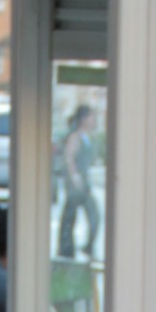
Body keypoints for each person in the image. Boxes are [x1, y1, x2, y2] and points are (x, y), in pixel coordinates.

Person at [56, 105, 101, 258]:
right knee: (70, 217)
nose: (94, 120)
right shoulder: (75, 137)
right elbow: (69, 157)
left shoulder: (89, 137)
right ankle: (66, 249)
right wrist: (74, 176)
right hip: (76, 184)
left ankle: (87, 246)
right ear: (83, 119)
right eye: (91, 117)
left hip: (85, 183)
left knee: (94, 216)